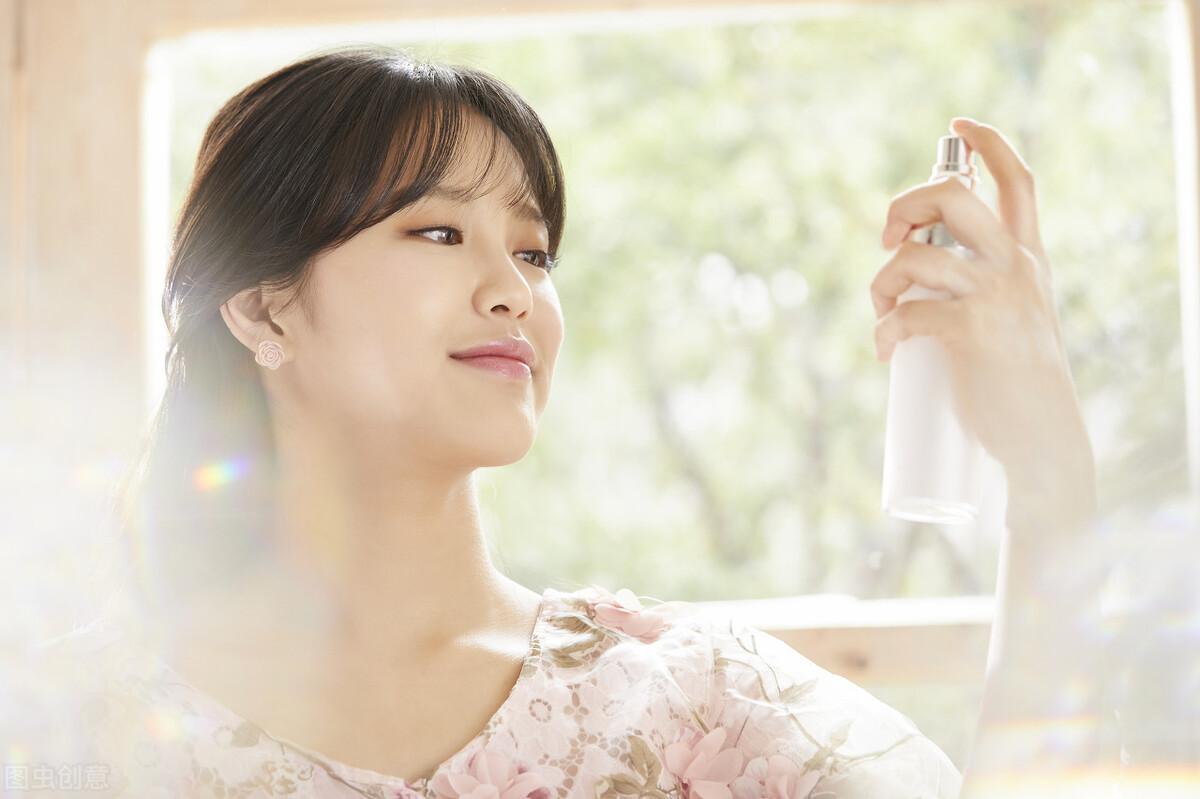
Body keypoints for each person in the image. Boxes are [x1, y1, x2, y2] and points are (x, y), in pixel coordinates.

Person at [13, 45, 1106, 799]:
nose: (514, 292)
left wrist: (1050, 476)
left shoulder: (695, 702)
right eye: (438, 232)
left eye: (534, 251)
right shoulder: (72, 733)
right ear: (262, 308)